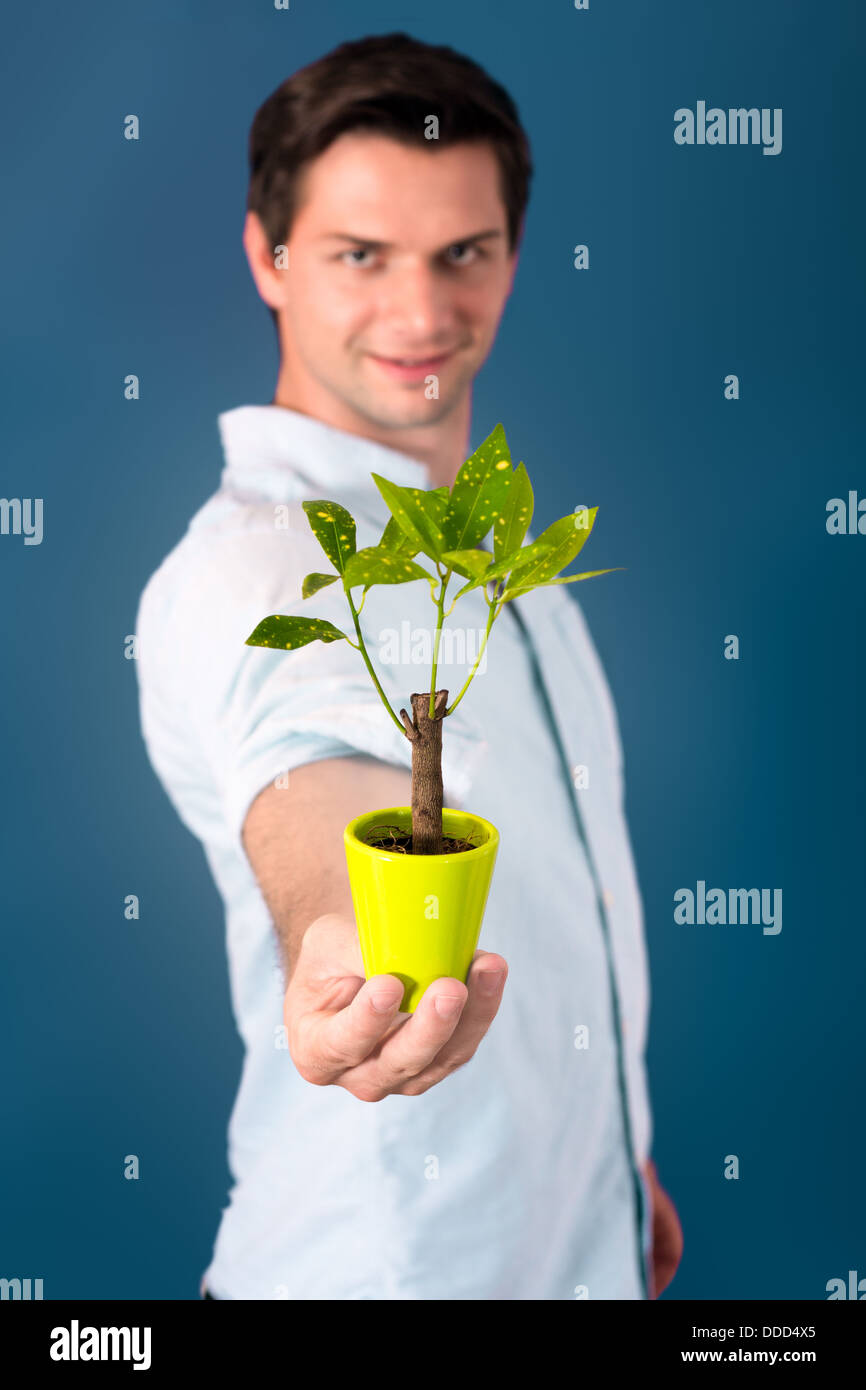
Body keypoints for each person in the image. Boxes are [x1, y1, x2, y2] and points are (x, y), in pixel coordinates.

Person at [136, 31, 682, 1300]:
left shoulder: (498, 558)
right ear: (269, 260)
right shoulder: (259, 567)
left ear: (511, 254)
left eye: (462, 254)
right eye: (359, 255)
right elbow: (309, 770)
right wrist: (344, 944)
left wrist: (609, 1161)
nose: (422, 312)